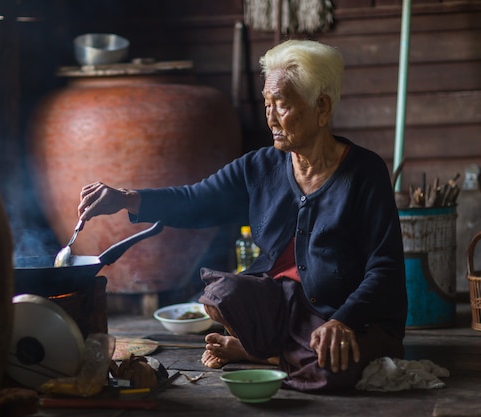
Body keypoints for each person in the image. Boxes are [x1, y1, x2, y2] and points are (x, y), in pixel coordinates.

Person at [74, 39, 407, 392]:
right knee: (222, 294)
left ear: (321, 107)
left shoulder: (364, 172)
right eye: (267, 103)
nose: (271, 116)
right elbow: (194, 200)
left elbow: (384, 267)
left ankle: (265, 355)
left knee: (337, 369)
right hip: (282, 305)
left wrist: (343, 321)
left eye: (282, 104)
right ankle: (287, 354)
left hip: (343, 312)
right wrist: (125, 198)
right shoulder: (260, 166)